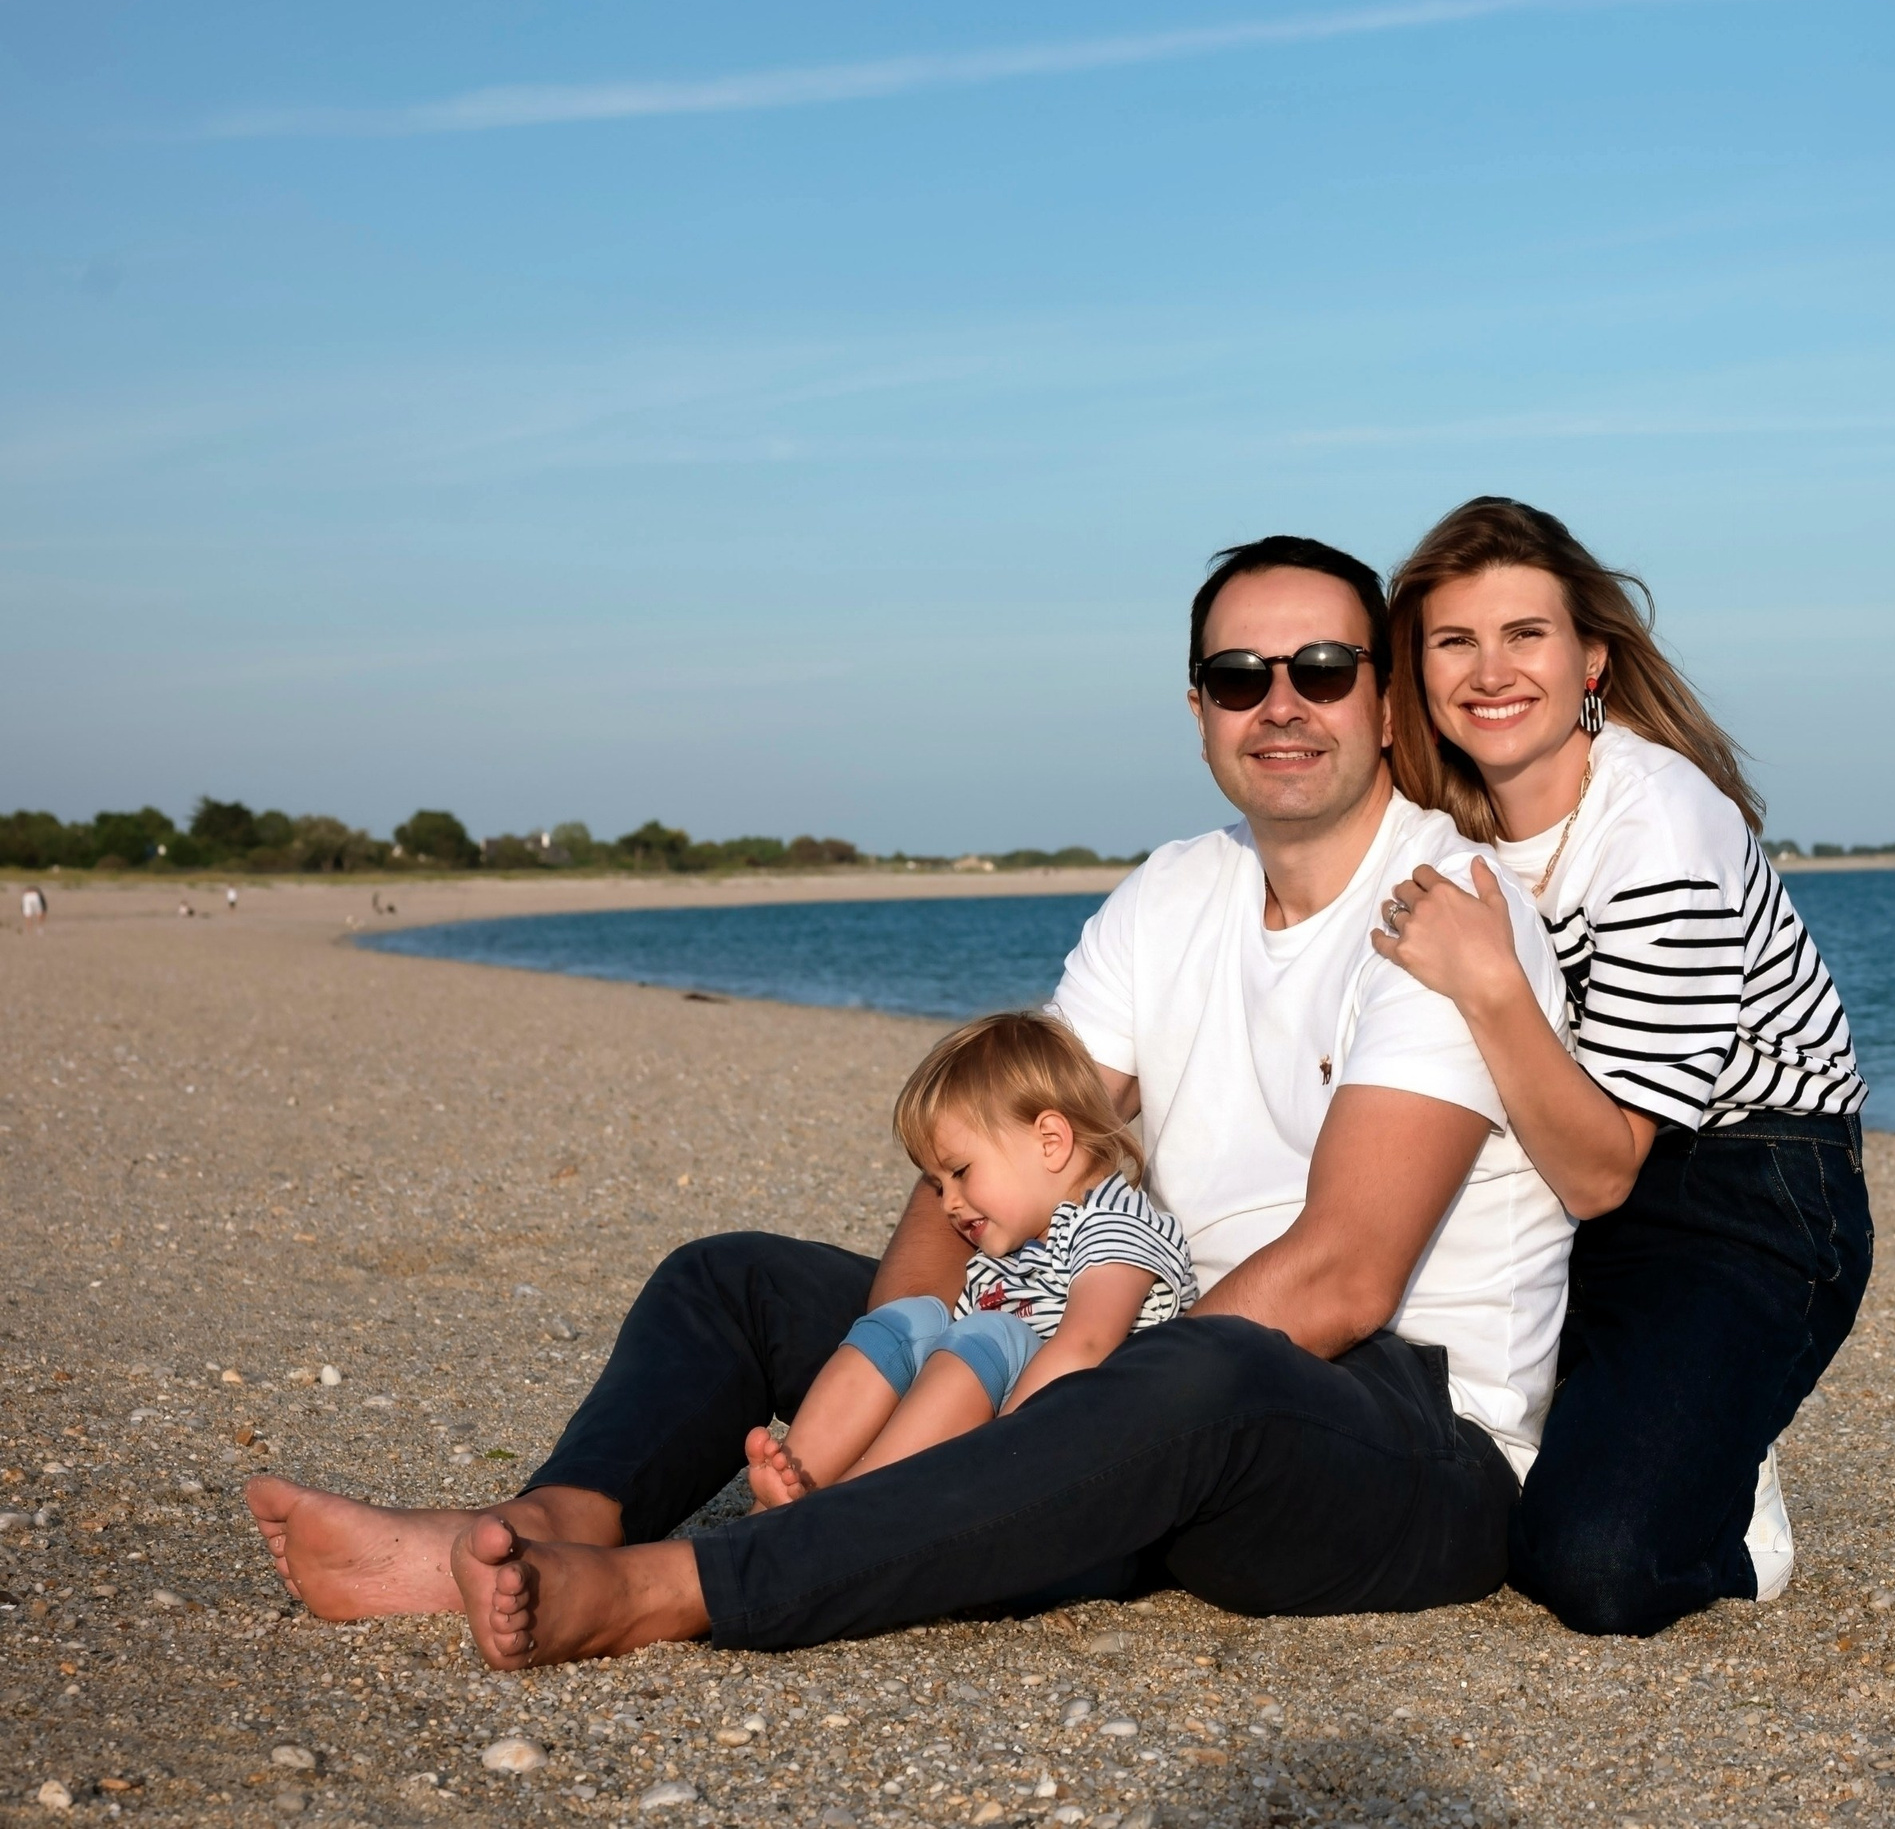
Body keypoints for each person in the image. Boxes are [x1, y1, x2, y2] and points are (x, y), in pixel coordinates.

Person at [245, 534, 1576, 1667]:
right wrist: (921, 1355)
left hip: (1398, 1433)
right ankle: (542, 1533)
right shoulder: (1175, 890)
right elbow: (995, 1141)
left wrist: (1055, 1417)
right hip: (1130, 1345)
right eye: (1240, 677)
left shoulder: (1444, 904)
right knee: (735, 1283)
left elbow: (1340, 1278)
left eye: (1322, 669)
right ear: (1199, 711)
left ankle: (668, 1587)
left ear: (1386, 703)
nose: (1280, 703)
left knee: (1192, 1377)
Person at [1371, 495, 1872, 1637]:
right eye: (1454, 641)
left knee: (1596, 1564)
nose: (1490, 671)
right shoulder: (1450, 827)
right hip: (1559, 1172)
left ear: (1590, 659)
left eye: (1525, 635)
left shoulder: (1657, 824)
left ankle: (1733, 1508)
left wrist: (1491, 980)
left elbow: (1605, 1173)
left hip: (1743, 1188)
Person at [740, 1011, 1195, 1508]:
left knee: (989, 1333)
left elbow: (1086, 1344)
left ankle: (845, 1510)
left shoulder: (1115, 1223)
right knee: (913, 1318)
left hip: (1079, 1455)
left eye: (959, 1172)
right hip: (988, 1444)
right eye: (938, 1186)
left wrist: (994, 1448)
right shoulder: (1006, 1255)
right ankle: (795, 1488)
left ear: (1050, 1142)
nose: (948, 1204)